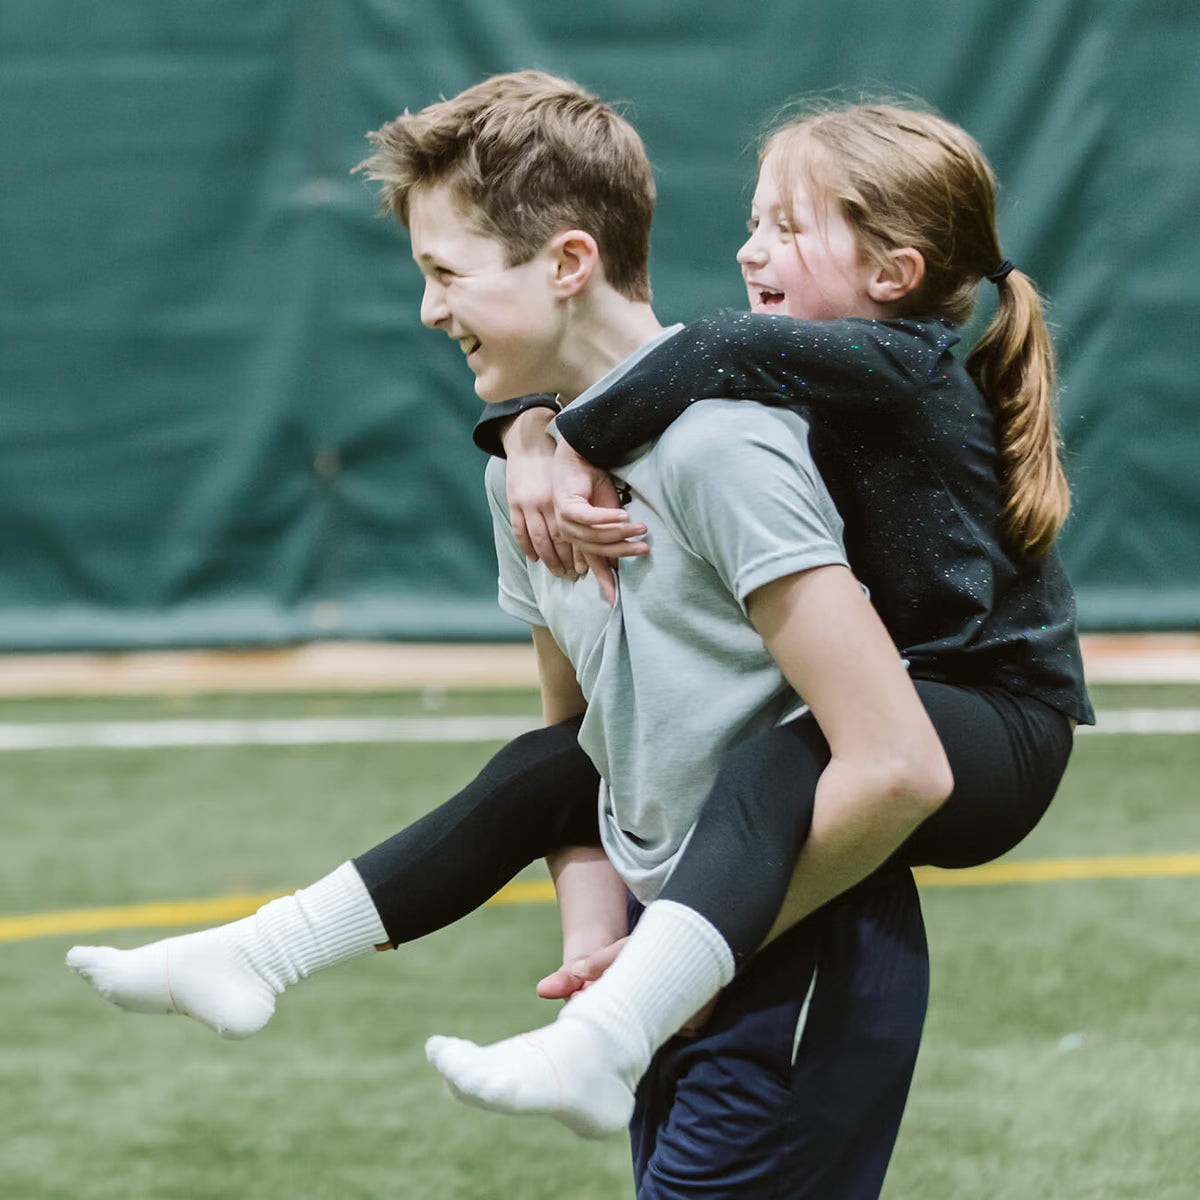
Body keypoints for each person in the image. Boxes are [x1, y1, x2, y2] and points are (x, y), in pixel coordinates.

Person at [67, 72, 950, 1199]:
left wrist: (688, 961)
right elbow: (578, 762)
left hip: (794, 944)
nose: (428, 309)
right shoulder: (519, 475)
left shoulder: (725, 448)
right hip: (659, 953)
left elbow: (890, 763)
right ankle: (265, 950)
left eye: (447, 273)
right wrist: (597, 949)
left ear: (569, 263)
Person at [426, 98, 1094, 1144]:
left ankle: (620, 1025)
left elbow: (705, 353)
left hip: (1001, 727)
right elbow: (680, 368)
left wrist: (561, 436)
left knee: (776, 764)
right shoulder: (826, 365)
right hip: (931, 702)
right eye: (752, 223)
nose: (749, 250)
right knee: (551, 769)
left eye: (786, 227)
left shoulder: (900, 363)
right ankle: (273, 948)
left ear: (894, 274)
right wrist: (524, 428)